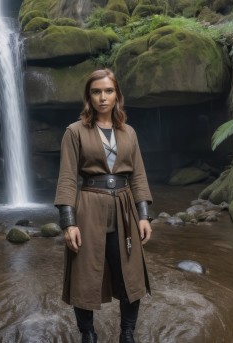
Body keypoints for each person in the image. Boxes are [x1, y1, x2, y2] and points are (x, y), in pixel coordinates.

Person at [54, 69, 153, 343]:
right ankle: (88, 334)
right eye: (96, 91)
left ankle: (127, 333)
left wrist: (143, 214)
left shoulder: (128, 132)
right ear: (89, 96)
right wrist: (68, 221)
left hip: (124, 208)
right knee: (85, 274)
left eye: (108, 91)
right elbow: (67, 178)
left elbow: (139, 176)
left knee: (130, 275)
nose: (103, 97)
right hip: (88, 209)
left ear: (117, 95)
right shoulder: (74, 132)